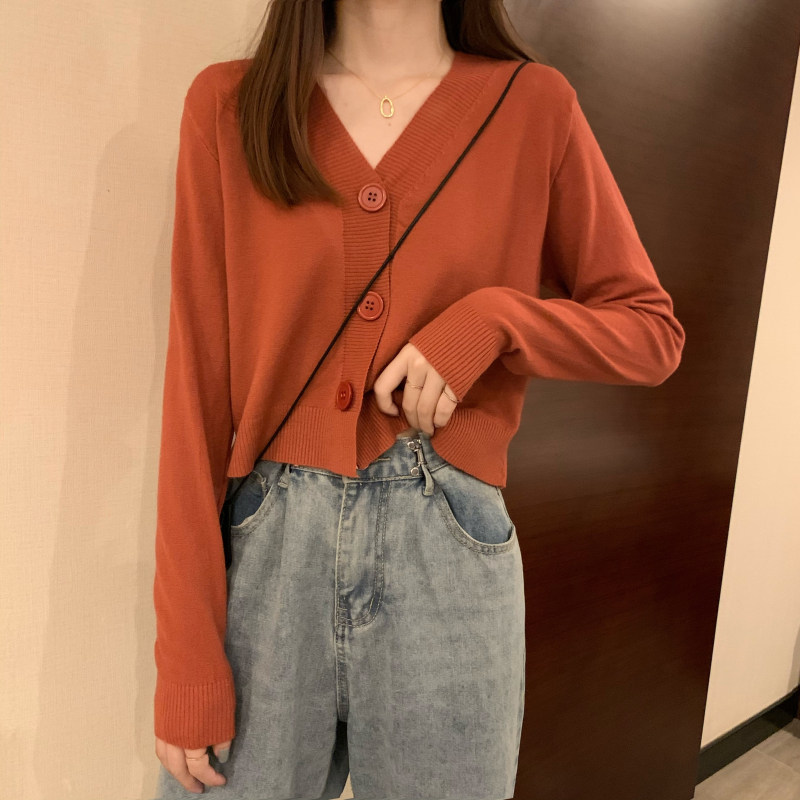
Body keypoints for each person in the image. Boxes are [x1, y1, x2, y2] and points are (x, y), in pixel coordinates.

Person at [151, 1, 686, 798]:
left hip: (450, 554)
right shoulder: (231, 106)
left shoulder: (533, 106)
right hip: (268, 558)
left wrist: (495, 321)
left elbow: (650, 333)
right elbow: (194, 393)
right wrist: (186, 653)